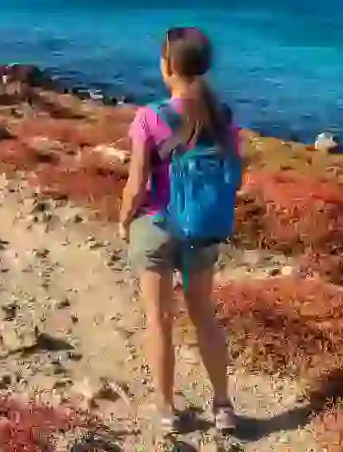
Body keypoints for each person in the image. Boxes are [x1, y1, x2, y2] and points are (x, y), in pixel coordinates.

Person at [117, 26, 239, 436]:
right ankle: (223, 407)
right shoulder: (222, 116)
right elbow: (234, 176)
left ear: (168, 66)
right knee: (204, 316)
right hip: (202, 228)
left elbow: (136, 186)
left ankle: (167, 410)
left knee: (158, 318)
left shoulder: (149, 117)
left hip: (155, 225)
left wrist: (122, 220)